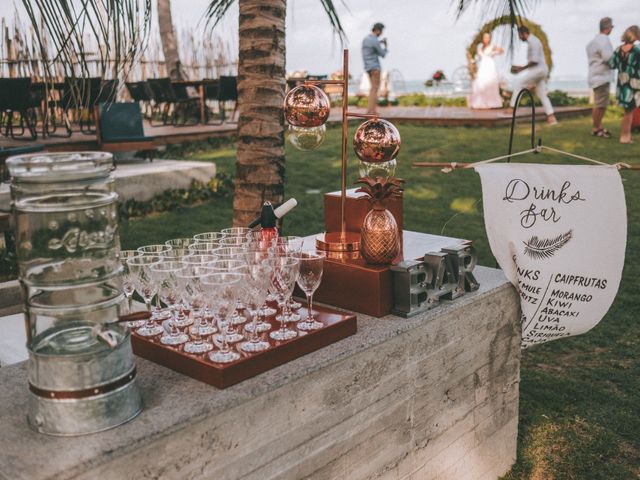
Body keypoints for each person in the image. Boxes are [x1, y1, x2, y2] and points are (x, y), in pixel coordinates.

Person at [509, 25, 558, 125]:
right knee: (542, 94)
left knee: (519, 83)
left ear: (523, 33)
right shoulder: (533, 41)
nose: (519, 37)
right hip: (540, 70)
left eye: (519, 35)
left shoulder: (533, 42)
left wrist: (520, 69)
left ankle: (512, 108)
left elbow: (534, 61)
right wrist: (520, 68)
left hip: (538, 70)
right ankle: (551, 117)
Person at [608, 25, 640, 144]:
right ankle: (624, 137)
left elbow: (612, 64)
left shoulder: (618, 50)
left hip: (622, 84)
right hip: (633, 85)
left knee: (628, 112)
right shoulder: (636, 50)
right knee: (629, 112)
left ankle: (627, 135)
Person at [586, 17, 614, 138]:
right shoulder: (604, 40)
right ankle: (596, 128)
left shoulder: (593, 42)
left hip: (594, 75)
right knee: (600, 105)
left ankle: (598, 127)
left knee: (599, 103)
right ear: (608, 28)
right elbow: (608, 58)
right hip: (602, 77)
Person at [468, 32, 505, 109]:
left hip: (490, 66)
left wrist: (495, 51)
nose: (486, 39)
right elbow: (479, 58)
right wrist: (472, 61)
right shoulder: (480, 47)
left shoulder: (492, 46)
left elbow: (501, 51)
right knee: (479, 83)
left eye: (488, 37)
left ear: (490, 39)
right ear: (482, 38)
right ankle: (479, 103)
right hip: (482, 66)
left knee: (489, 83)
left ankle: (492, 103)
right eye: (485, 37)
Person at [362, 22, 388, 115]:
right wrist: (385, 46)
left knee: (372, 88)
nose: (381, 33)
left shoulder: (366, 39)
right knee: (374, 89)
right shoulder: (374, 41)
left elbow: (372, 48)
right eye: (381, 31)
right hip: (375, 68)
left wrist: (379, 42)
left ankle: (370, 110)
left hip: (368, 67)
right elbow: (383, 54)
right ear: (377, 30)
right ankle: (372, 111)